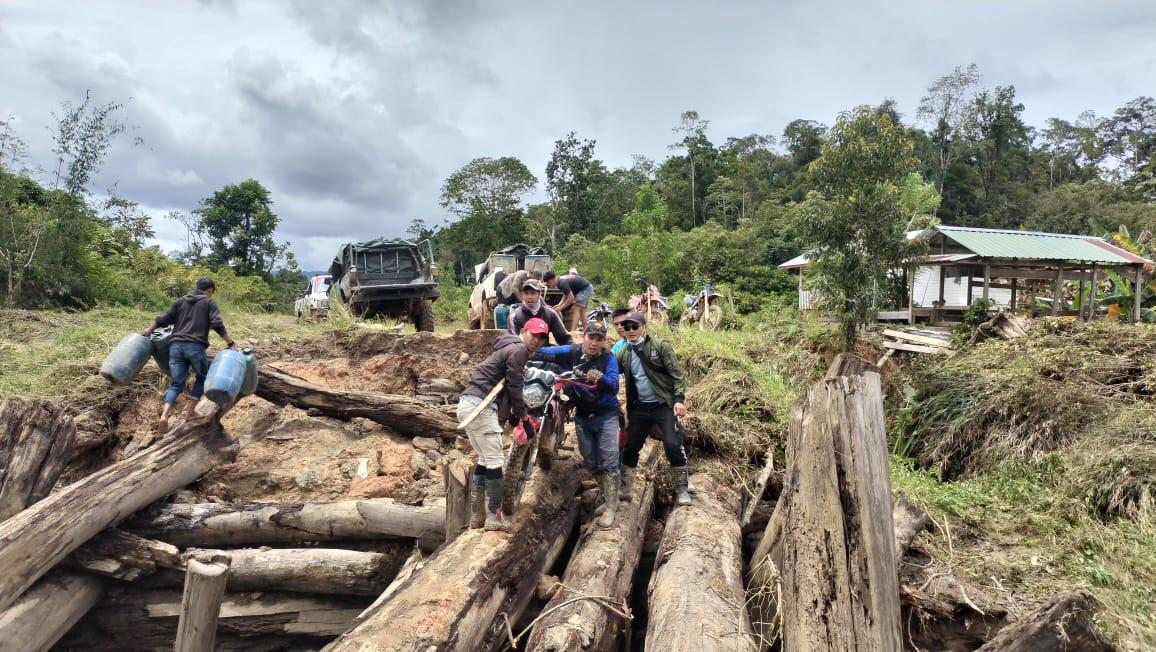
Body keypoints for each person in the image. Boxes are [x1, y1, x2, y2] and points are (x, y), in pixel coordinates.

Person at [458, 317, 550, 531]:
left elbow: (508, 385)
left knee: (484, 458)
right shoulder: (518, 350)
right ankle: (493, 518)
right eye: (533, 335)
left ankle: (477, 518)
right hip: (481, 405)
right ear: (524, 330)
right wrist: (524, 418)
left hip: (468, 404)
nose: (537, 341)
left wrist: (512, 414)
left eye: (542, 338)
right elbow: (516, 388)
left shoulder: (508, 345)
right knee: (495, 460)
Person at [532, 321, 621, 527]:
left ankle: (611, 507)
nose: (594, 343)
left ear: (604, 341)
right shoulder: (572, 351)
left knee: (609, 459)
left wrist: (599, 377)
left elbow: (614, 386)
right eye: (591, 338)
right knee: (590, 460)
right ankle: (607, 497)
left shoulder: (608, 358)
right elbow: (546, 353)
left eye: (599, 339)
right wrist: (522, 347)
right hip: (582, 415)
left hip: (606, 415)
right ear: (584, 336)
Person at [615, 311, 692, 506]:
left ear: (644, 327)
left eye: (635, 327)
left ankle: (682, 488)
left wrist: (679, 400)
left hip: (663, 405)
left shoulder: (660, 346)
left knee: (673, 444)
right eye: (627, 327)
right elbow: (610, 372)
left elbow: (676, 374)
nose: (630, 331)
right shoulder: (623, 353)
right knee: (630, 447)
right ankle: (625, 490)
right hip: (639, 408)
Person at [141, 278, 236, 432]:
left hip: (175, 346)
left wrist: (149, 330)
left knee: (176, 383)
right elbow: (217, 323)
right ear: (210, 291)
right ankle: (190, 413)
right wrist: (230, 343)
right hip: (195, 347)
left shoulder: (180, 301)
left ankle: (164, 415)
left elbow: (163, 319)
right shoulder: (209, 302)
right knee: (201, 377)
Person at [508, 279, 571, 345]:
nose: (529, 297)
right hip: (522, 353)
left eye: (533, 293)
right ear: (522, 295)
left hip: (545, 353)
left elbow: (564, 339)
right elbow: (514, 344)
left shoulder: (550, 314)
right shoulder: (515, 316)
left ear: (539, 294)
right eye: (526, 293)